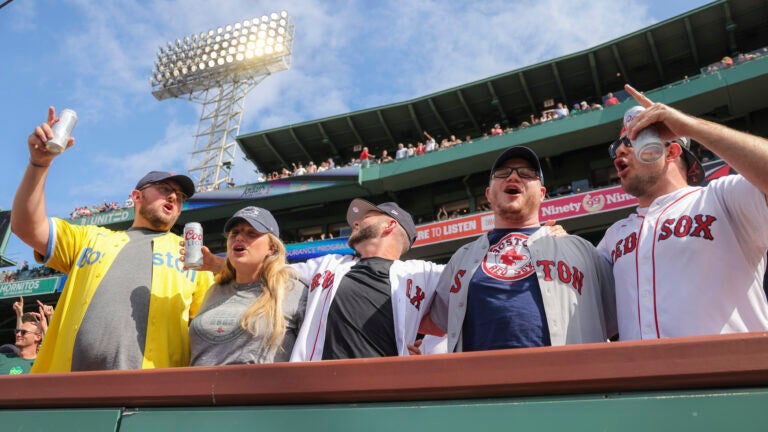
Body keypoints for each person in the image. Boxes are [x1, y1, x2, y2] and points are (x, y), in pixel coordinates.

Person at [11, 106, 213, 372]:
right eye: (165, 190)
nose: (174, 197)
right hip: (66, 387)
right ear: (136, 196)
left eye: (180, 196)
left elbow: (208, 330)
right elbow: (26, 227)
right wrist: (39, 164)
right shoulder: (92, 237)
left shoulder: (193, 258)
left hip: (151, 397)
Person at [597, 84, 768, 340]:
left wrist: (688, 126)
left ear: (672, 151)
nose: (619, 151)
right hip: (645, 379)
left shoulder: (721, 197)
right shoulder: (613, 236)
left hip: (737, 376)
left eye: (631, 141)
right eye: (616, 147)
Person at [421, 146, 617, 352]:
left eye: (526, 173)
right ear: (488, 194)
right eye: (502, 173)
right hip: (481, 381)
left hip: (564, 380)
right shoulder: (461, 257)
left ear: (542, 194)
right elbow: (436, 320)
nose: (513, 177)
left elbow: (620, 318)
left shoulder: (582, 250)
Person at [291, 199, 444, 360]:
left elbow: (461, 299)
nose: (356, 223)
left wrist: (403, 346)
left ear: (389, 225)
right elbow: (274, 271)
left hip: (383, 382)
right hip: (319, 382)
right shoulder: (328, 263)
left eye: (367, 217)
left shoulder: (422, 272)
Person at [189, 207, 306, 365]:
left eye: (251, 233)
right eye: (234, 233)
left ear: (272, 248)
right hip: (198, 387)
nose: (239, 238)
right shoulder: (215, 289)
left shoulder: (293, 289)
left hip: (261, 388)